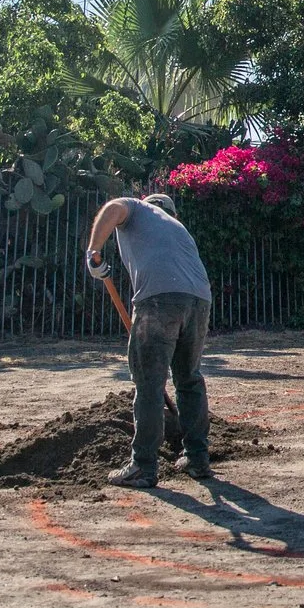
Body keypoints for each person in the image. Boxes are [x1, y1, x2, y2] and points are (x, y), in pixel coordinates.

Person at [85, 190, 214, 487]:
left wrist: (93, 252)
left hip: (158, 301)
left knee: (149, 383)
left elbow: (113, 207)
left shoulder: (137, 209)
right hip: (199, 300)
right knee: (189, 379)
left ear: (147, 203)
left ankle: (143, 465)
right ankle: (197, 458)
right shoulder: (178, 228)